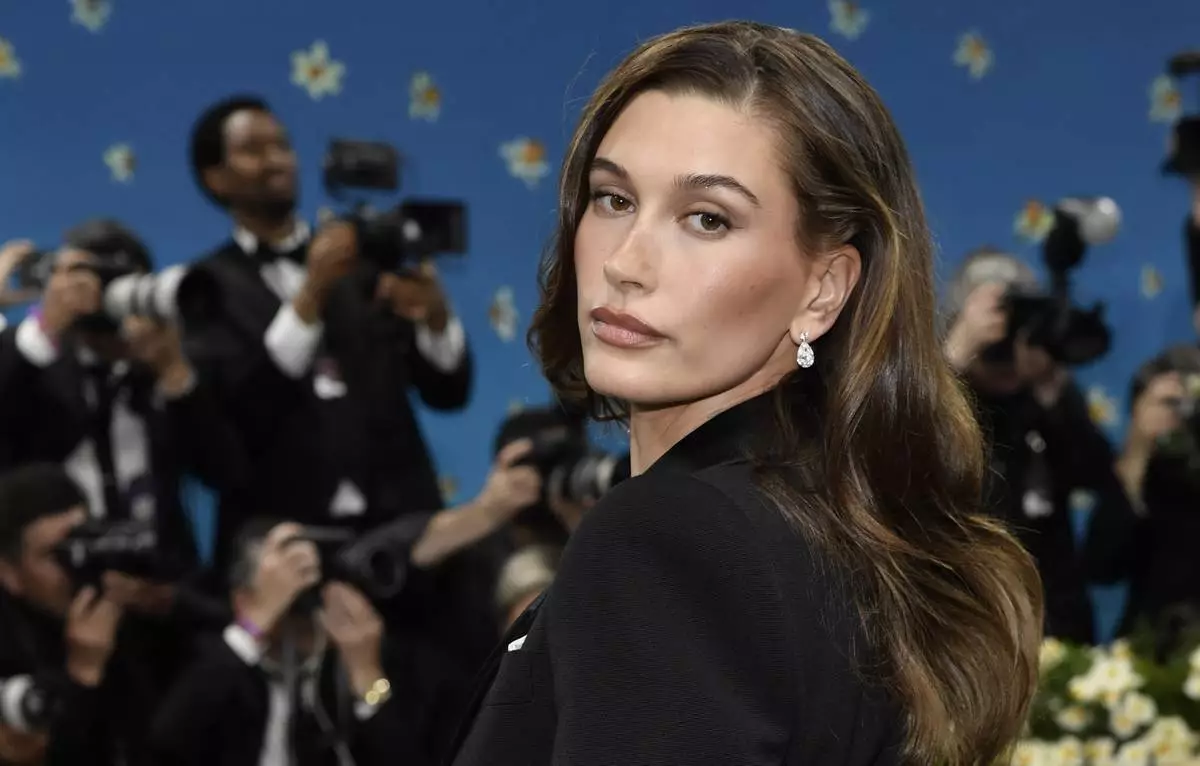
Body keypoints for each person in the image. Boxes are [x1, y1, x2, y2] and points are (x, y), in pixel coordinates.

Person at [447, 20, 1042, 766]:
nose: (627, 263)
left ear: (823, 290)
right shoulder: (835, 529)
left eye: (707, 218)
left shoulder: (670, 537)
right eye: (613, 199)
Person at [183, 95, 472, 575]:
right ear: (215, 177)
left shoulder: (367, 262)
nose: (275, 159)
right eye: (253, 149)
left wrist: (435, 320)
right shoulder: (205, 289)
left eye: (282, 145)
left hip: (404, 537)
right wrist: (310, 294)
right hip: (285, 545)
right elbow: (242, 415)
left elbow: (448, 391)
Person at [941, 248, 1133, 644]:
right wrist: (954, 356)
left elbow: (1100, 478)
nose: (1008, 344)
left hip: (1054, 621)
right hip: (963, 619)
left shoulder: (1047, 397)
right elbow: (899, 457)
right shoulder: (937, 397)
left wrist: (1050, 387)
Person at [0, 464, 160, 766]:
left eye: (85, 543)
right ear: (9, 573)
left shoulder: (123, 601)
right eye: (57, 554)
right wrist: (82, 675)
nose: (78, 566)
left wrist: (164, 601)